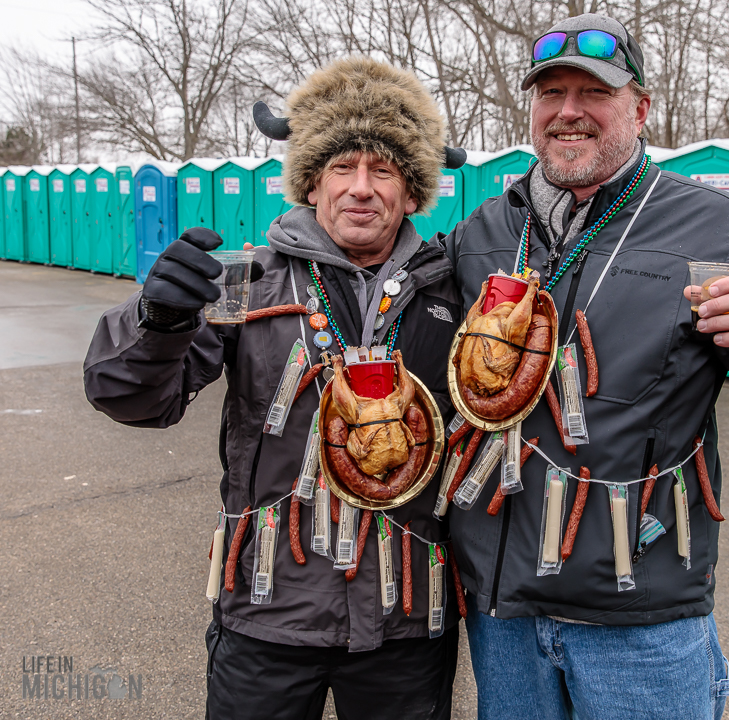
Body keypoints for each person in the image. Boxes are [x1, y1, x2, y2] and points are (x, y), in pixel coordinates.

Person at [439, 13, 729, 720]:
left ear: (640, 108)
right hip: (503, 612)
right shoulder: (482, 234)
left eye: (593, 92)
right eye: (550, 92)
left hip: (639, 617)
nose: (569, 111)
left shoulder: (714, 229)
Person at [84, 57, 466, 720]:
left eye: (384, 170)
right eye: (342, 168)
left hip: (407, 615)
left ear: (412, 192)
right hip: (267, 611)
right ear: (311, 183)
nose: (361, 188)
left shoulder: (450, 292)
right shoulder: (246, 282)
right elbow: (135, 398)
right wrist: (157, 323)